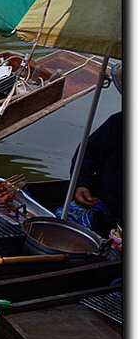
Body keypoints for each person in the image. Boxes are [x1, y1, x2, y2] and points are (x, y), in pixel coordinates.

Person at [63, 63, 123, 235]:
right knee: (64, 220)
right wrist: (81, 184)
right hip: (103, 204)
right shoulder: (118, 123)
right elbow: (86, 155)